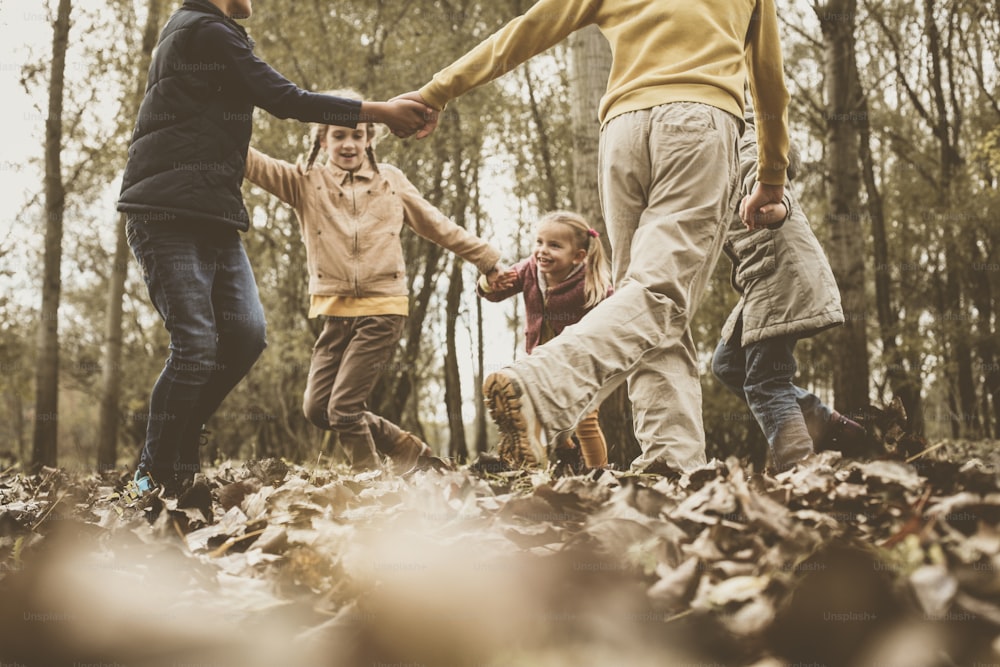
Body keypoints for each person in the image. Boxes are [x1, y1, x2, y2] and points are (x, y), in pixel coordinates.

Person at [396, 0, 791, 473]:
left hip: (623, 132)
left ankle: (674, 462)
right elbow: (768, 76)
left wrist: (436, 91)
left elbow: (525, 32)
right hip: (699, 123)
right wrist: (771, 174)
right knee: (658, 295)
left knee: (646, 304)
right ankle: (540, 388)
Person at [116, 0, 429, 502]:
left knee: (244, 336)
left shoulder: (214, 35)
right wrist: (382, 112)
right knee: (195, 346)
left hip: (214, 214)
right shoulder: (204, 30)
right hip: (165, 213)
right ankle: (151, 474)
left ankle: (180, 447)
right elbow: (288, 99)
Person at [243, 89, 509, 472]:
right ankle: (403, 446)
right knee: (318, 409)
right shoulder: (306, 183)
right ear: (322, 140)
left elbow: (438, 226)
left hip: (383, 308)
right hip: (334, 312)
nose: (349, 143)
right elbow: (253, 163)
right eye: (338, 135)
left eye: (358, 134)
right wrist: (212, 121)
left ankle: (367, 487)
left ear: (371, 138)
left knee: (344, 408)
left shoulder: (391, 181)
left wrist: (487, 259)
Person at [711, 109, 866, 472]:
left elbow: (763, 173)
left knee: (767, 382)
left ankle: (801, 470)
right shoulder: (725, 144)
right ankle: (827, 424)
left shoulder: (745, 137)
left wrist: (772, 208)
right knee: (727, 363)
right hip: (762, 278)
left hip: (779, 273)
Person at [477, 211, 613, 470]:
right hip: (540, 362)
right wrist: (488, 281)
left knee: (586, 420)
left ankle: (600, 472)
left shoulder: (588, 282)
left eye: (554, 245)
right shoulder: (529, 269)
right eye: (539, 242)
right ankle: (568, 456)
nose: (542, 251)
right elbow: (496, 292)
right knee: (547, 414)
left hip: (578, 365)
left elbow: (612, 314)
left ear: (578, 256)